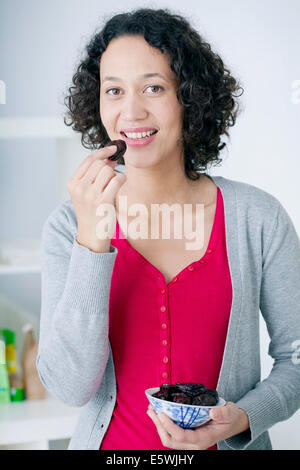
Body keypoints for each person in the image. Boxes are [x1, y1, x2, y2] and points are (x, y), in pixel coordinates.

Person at [37, 8, 300, 450]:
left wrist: (243, 418)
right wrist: (93, 239)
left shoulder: (258, 217)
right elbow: (70, 387)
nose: (131, 111)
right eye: (113, 90)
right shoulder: (69, 228)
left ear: (190, 98)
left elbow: (296, 357)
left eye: (153, 88)